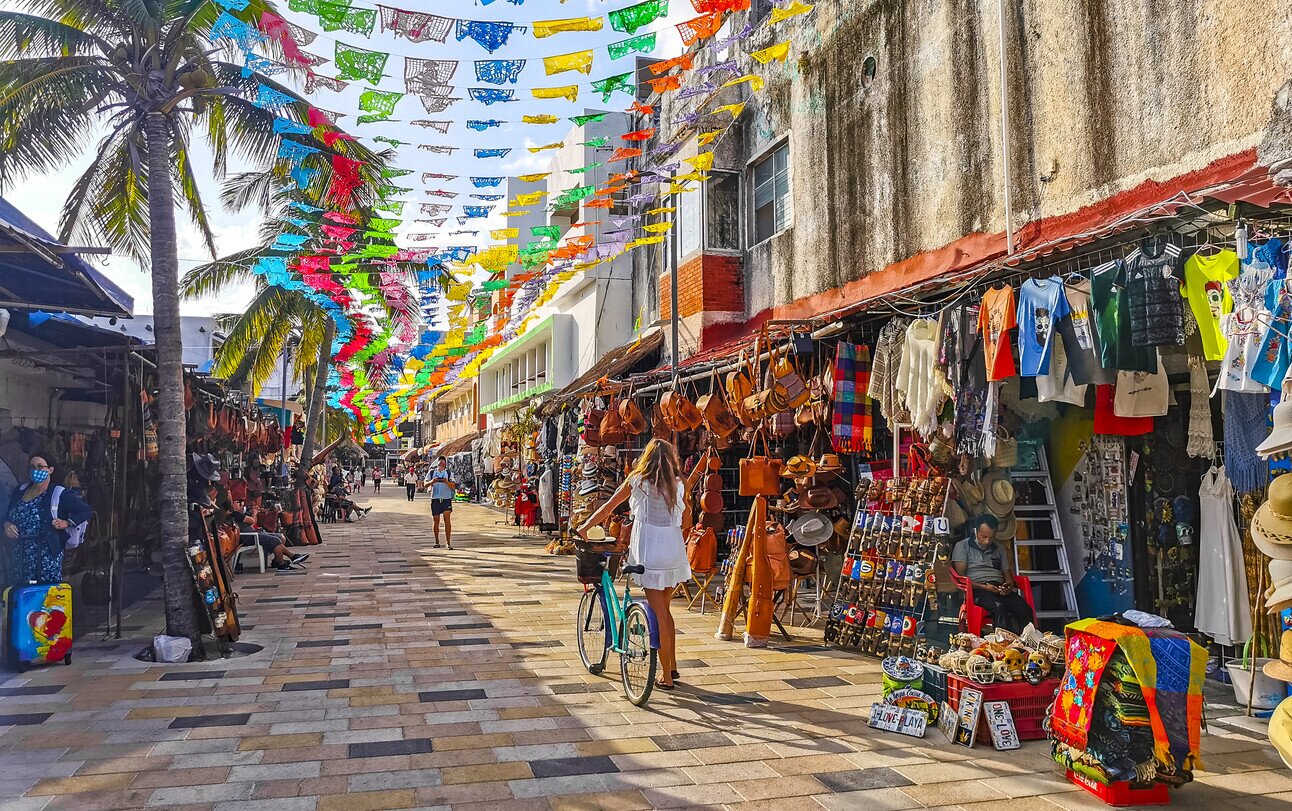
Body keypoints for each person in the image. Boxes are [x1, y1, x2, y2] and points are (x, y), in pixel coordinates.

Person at [577, 439, 690, 690]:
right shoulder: (678, 485)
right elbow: (686, 518)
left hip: (650, 552)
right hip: (673, 551)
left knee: (659, 613)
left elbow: (608, 508)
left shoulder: (637, 482)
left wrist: (585, 528)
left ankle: (667, 677)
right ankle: (671, 665)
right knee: (665, 611)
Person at [2, 456, 92, 585]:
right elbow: (7, 515)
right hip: (20, 557)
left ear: (50, 470)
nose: (35, 470)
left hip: (46, 559)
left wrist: (66, 523)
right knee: (20, 598)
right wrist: (7, 525)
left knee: (45, 599)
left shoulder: (59, 494)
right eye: (32, 467)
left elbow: (86, 511)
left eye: (40, 466)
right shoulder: (20, 491)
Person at [951, 515, 1035, 634]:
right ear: (975, 531)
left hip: (998, 588)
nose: (987, 541)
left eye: (991, 537)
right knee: (999, 608)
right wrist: (984, 587)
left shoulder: (999, 548)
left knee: (1024, 609)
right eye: (983, 536)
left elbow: (1008, 578)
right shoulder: (963, 546)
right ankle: (1004, 646)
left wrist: (1007, 587)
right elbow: (962, 579)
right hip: (977, 590)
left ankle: (1027, 643)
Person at [229, 498, 308, 572]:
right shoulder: (235, 514)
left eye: (242, 504)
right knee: (275, 540)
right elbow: (251, 522)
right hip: (249, 537)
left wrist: (253, 514)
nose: (241, 505)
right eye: (238, 503)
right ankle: (283, 564)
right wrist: (254, 514)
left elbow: (252, 524)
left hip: (253, 534)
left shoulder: (238, 514)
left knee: (279, 537)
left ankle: (281, 560)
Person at [426, 456, 456, 549]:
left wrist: (446, 482)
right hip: (435, 498)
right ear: (437, 464)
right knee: (436, 521)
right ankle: (436, 540)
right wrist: (432, 481)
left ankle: (448, 542)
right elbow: (424, 484)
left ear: (445, 464)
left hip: (446, 498)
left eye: (443, 464)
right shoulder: (432, 473)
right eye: (440, 463)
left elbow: (453, 486)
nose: (441, 465)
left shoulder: (449, 473)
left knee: (447, 520)